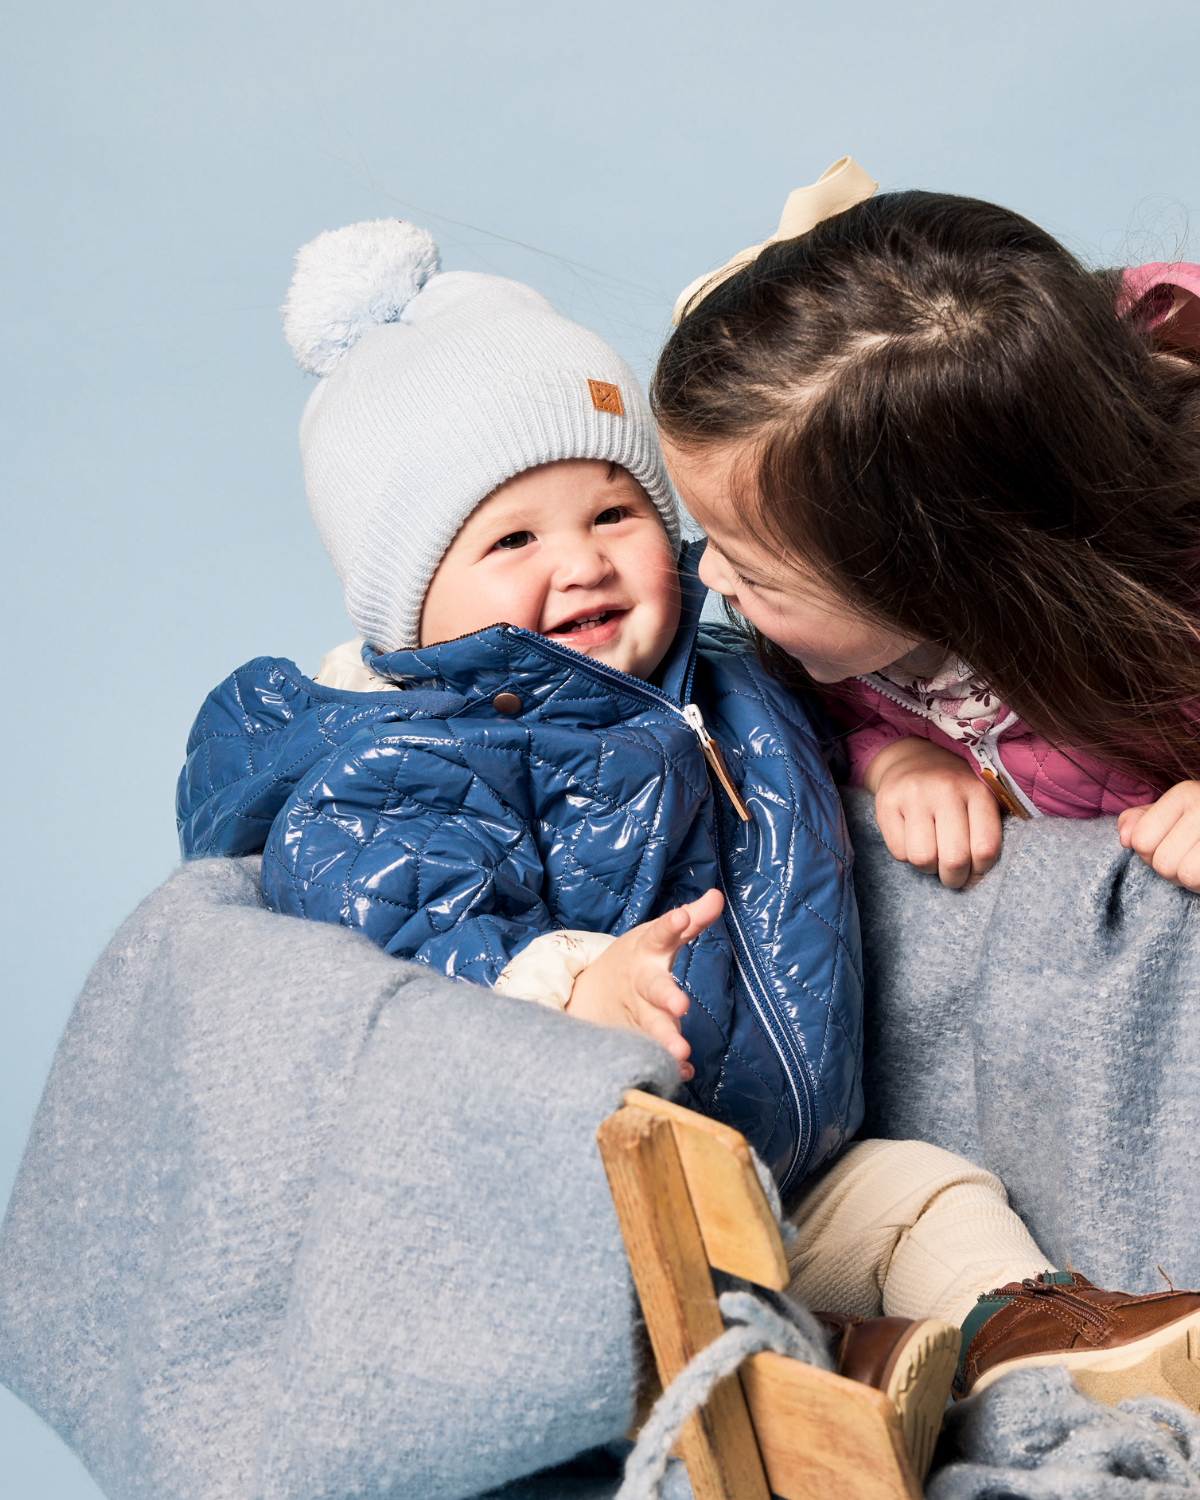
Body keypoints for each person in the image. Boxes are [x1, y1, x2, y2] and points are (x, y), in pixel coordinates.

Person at [653, 163, 1200, 1410]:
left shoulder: (1161, 624)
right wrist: (889, 751)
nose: (714, 586)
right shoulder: (833, 633)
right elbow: (820, 687)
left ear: (951, 578)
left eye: (752, 569)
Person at [176, 216, 863, 1208]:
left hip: (807, 1165)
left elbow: (867, 699)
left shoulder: (734, 672)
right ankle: (833, 1338)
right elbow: (409, 953)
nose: (582, 562)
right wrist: (578, 992)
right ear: (410, 608)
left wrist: (903, 767)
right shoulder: (406, 762)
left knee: (933, 1196)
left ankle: (1015, 1322)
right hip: (608, 1195)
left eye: (614, 514)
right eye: (513, 542)